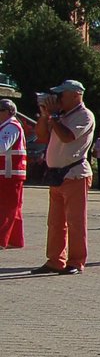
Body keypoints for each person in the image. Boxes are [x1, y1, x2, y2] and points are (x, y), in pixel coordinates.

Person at [31, 81, 95, 274]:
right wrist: (45, 116)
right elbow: (42, 136)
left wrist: (54, 118)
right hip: (56, 175)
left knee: (76, 222)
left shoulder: (84, 115)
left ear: (76, 95)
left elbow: (68, 137)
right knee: (55, 222)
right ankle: (55, 260)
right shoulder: (60, 116)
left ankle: (76, 261)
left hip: (75, 174)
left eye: (62, 95)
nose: (57, 99)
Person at [0, 99, 27, 249]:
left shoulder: (11, 126)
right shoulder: (6, 126)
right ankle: (15, 240)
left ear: (8, 112)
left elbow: (2, 147)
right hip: (8, 173)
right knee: (13, 207)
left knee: (6, 207)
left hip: (9, 173)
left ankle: (1, 240)